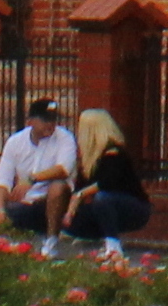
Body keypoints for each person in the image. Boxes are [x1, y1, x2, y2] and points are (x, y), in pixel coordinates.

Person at [64, 107, 152, 263]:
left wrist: (80, 195)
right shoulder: (90, 158)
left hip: (134, 208)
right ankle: (93, 241)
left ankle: (113, 247)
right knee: (72, 213)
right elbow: (79, 188)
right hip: (107, 209)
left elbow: (108, 183)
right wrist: (69, 209)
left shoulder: (114, 152)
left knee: (102, 198)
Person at [0, 95, 77, 250]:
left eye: (53, 119)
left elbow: (64, 169)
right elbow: (3, 180)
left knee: (58, 187)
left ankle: (51, 241)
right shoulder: (15, 142)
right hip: (27, 202)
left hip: (55, 203)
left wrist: (31, 179)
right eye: (45, 120)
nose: (50, 124)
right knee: (0, 221)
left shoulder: (65, 138)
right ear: (30, 121)